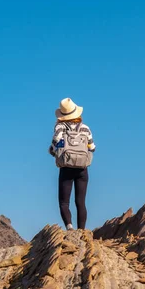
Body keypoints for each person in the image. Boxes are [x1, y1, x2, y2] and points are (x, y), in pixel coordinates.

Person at [49, 98, 96, 230]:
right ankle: (82, 230)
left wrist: (52, 151)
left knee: (64, 202)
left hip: (66, 167)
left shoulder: (60, 127)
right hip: (82, 168)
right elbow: (92, 147)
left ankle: (69, 227)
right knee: (80, 202)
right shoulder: (85, 128)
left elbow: (55, 141)